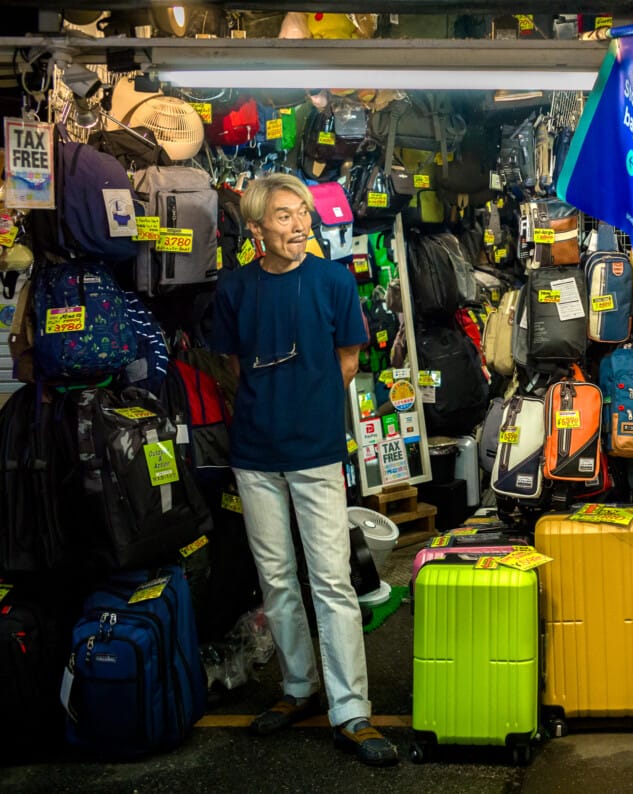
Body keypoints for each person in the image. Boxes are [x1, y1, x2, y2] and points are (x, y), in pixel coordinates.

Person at [210, 173, 397, 766]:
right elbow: (231, 363)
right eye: (286, 216)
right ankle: (299, 687)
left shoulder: (334, 280)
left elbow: (349, 358)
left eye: (303, 214)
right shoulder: (235, 288)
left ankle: (351, 710)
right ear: (258, 228)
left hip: (315, 450)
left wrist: (308, 404)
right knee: (277, 580)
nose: (300, 225)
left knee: (332, 580)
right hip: (254, 454)